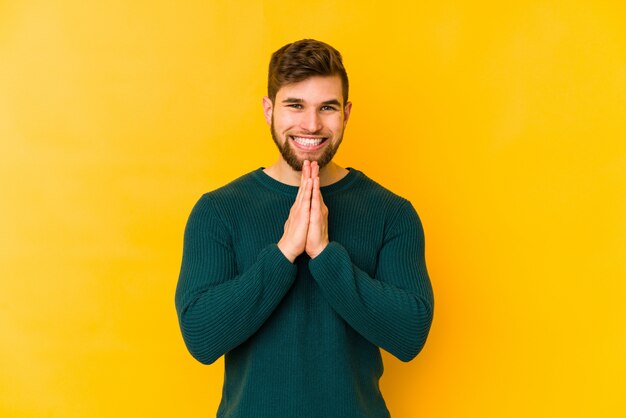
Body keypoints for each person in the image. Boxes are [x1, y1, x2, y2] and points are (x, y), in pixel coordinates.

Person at [175, 39, 434, 418]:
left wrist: (326, 255)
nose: (311, 125)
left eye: (326, 108)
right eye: (295, 105)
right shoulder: (218, 211)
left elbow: (409, 335)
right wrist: (283, 254)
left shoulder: (392, 214)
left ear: (345, 113)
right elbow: (201, 337)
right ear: (269, 110)